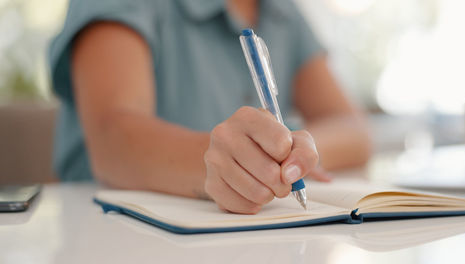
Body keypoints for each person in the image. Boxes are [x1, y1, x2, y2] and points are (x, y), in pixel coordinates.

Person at [49, 0, 371, 214]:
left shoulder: (281, 9)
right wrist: (223, 161)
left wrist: (292, 155)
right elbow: (112, 140)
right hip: (110, 235)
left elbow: (354, 129)